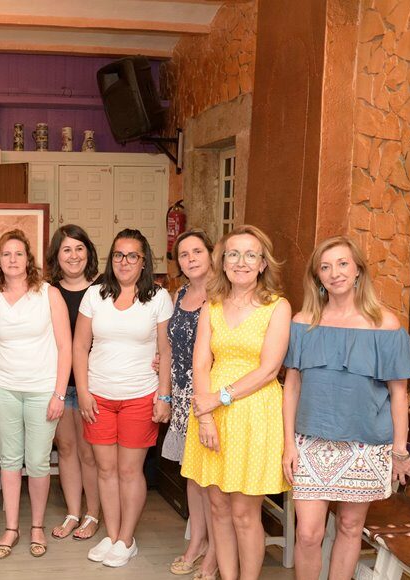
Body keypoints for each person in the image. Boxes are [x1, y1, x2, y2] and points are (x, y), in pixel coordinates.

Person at [282, 236, 410, 580]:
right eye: (325, 267)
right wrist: (288, 445)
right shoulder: (303, 322)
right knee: (308, 533)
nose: (335, 273)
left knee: (349, 526)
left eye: (343, 263)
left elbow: (399, 394)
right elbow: (292, 386)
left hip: (366, 444)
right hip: (311, 442)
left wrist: (399, 451)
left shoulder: (386, 326)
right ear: (317, 276)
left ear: (358, 269)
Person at [182, 224, 292, 580]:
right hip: (211, 415)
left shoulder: (277, 307)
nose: (241, 262)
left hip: (255, 415)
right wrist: (206, 417)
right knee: (218, 507)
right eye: (233, 254)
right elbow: (201, 363)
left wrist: (219, 398)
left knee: (244, 513)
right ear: (223, 261)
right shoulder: (212, 306)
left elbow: (269, 369)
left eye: (250, 255)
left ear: (263, 263)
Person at [73, 228, 173, 568]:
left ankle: (127, 539)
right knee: (105, 469)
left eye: (132, 255)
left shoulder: (158, 297)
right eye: (118, 255)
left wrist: (163, 396)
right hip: (98, 397)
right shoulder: (94, 294)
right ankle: (112, 535)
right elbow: (79, 346)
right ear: (110, 259)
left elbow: (165, 350)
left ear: (144, 261)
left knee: (129, 471)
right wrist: (83, 392)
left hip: (140, 396)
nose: (124, 261)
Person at [0, 229, 72, 559]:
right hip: (2, 389)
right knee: (10, 461)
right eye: (6, 254)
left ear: (28, 259)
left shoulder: (48, 294)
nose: (13, 259)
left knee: (38, 462)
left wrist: (59, 394)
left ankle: (37, 528)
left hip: (43, 391)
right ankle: (12, 528)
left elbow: (65, 346)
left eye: (18, 253)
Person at [161, 230, 219, 578]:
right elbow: (171, 346)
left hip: (211, 397)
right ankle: (197, 542)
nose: (191, 259)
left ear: (211, 254)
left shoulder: (224, 294)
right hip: (184, 396)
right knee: (193, 476)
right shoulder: (180, 294)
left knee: (212, 480)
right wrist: (165, 385)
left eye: (197, 251)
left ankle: (215, 551)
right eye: (184, 254)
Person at [44, 225, 102, 541]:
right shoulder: (47, 293)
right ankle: (72, 512)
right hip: (59, 385)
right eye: (66, 249)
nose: (74, 255)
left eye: (79, 248)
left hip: (93, 386)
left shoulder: (103, 290)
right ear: (57, 255)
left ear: (88, 253)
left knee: (89, 453)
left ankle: (92, 514)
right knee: (66, 449)